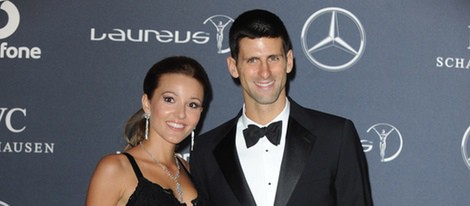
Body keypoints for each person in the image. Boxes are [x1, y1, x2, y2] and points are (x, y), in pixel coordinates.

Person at [190, 9, 373, 206]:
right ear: (233, 66)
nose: (265, 72)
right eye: (253, 60)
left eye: (273, 58)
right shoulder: (205, 151)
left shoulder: (336, 137)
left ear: (289, 61)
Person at [86, 56, 211, 206]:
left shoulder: (191, 172)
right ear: (147, 103)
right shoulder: (115, 168)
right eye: (169, 100)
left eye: (192, 104)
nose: (181, 114)